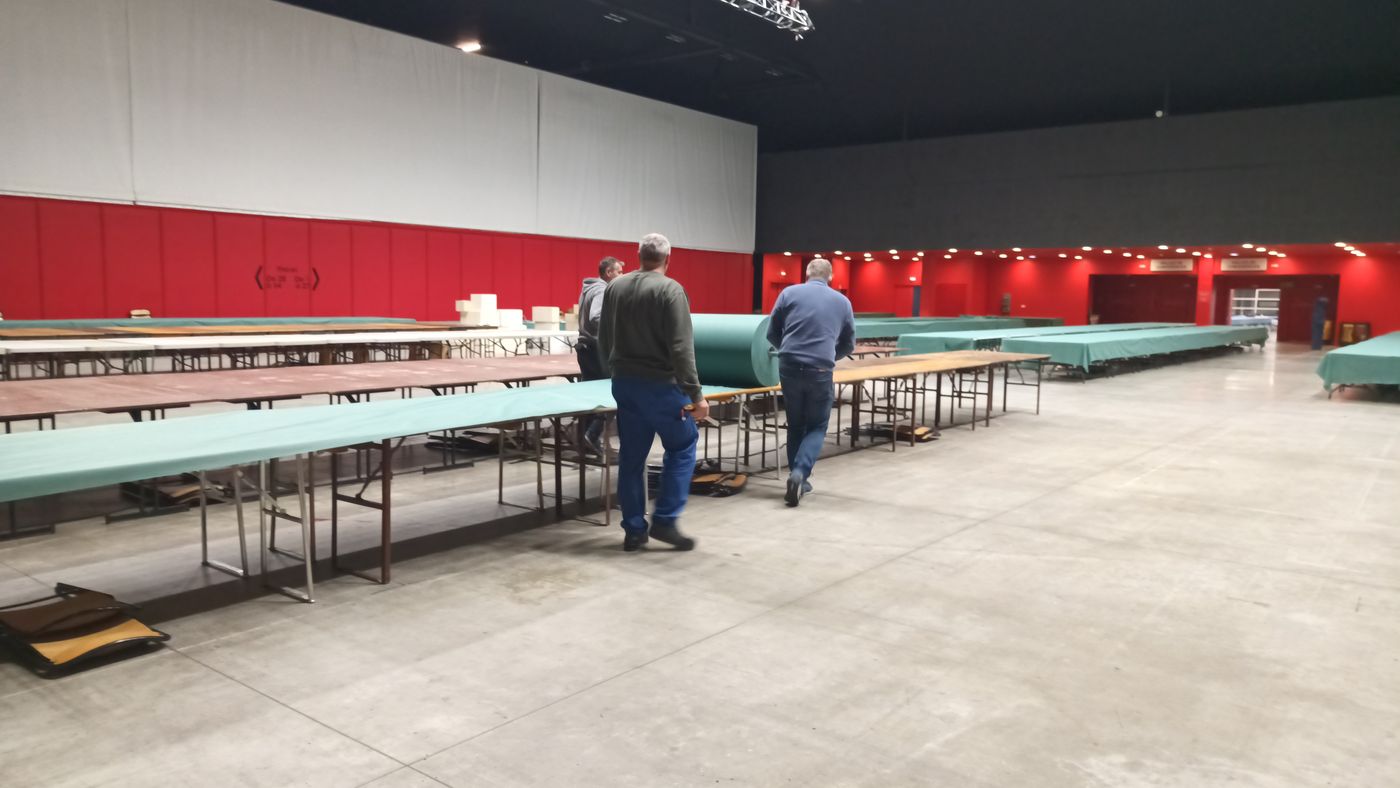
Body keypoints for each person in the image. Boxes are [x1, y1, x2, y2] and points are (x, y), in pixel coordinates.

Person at [598, 233, 709, 552]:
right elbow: (680, 347)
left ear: (638, 255)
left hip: (625, 385)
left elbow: (604, 335)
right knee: (683, 444)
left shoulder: (615, 287)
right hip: (661, 387)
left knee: (632, 456)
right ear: (668, 259)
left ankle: (634, 529)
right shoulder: (671, 290)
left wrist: (614, 370)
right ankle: (665, 518)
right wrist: (696, 395)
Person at [766, 257, 855, 507]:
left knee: (795, 424)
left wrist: (788, 350)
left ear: (806, 274)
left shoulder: (788, 293)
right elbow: (849, 344)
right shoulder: (842, 301)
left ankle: (799, 481)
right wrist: (828, 356)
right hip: (820, 370)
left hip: (789, 366)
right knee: (816, 426)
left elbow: (771, 333)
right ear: (831, 277)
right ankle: (799, 474)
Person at [575, 256, 624, 454]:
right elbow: (596, 316)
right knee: (608, 394)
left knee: (590, 396)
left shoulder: (587, 288)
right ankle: (592, 435)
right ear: (609, 273)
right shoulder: (603, 290)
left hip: (585, 348)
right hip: (596, 349)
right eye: (619, 272)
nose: (621, 276)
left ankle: (585, 441)